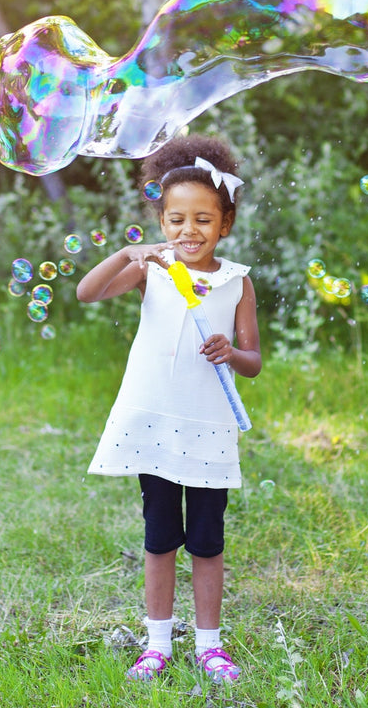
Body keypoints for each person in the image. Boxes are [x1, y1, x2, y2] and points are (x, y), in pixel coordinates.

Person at [76, 134, 262, 685]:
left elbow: (253, 361)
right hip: (156, 424)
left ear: (224, 224)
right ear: (161, 223)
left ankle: (210, 645)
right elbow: (88, 293)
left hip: (208, 427)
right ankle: (157, 642)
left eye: (203, 219)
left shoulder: (236, 282)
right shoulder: (151, 270)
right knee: (160, 536)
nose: (189, 231)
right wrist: (126, 254)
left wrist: (232, 352)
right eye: (176, 219)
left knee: (207, 538)